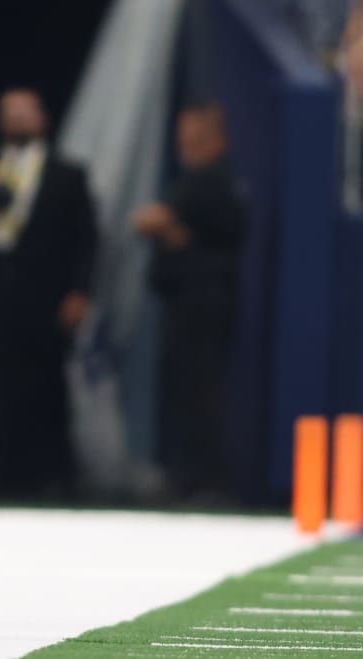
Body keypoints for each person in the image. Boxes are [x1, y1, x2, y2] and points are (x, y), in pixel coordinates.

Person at [0, 88, 98, 497]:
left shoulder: (67, 175)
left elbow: (86, 240)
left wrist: (79, 291)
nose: (19, 120)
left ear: (43, 119)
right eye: (10, 112)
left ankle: (54, 475)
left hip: (46, 296)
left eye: (26, 112)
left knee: (48, 385)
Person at [132, 100, 247, 503]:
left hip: (202, 305)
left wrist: (170, 227)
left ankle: (208, 480)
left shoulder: (210, 179)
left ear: (213, 137)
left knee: (199, 391)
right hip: (189, 302)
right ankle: (191, 475)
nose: (186, 144)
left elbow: (149, 220)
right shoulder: (200, 180)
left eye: (193, 137)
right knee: (186, 391)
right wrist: (174, 232)